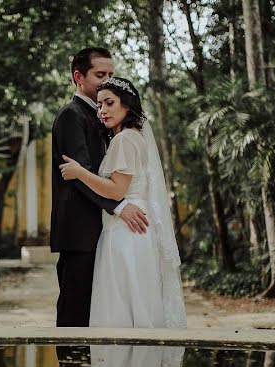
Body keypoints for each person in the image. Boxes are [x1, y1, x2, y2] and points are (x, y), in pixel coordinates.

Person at [59, 76, 186, 329]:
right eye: (99, 105)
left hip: (125, 232)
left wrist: (80, 172)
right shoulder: (133, 136)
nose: (102, 111)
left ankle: (124, 365)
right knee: (136, 303)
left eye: (109, 103)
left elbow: (117, 191)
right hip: (133, 229)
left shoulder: (123, 140)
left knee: (123, 305)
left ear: (127, 105)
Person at [50, 49, 150, 327]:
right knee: (75, 310)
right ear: (78, 77)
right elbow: (79, 175)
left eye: (110, 74)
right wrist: (119, 205)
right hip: (79, 231)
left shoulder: (105, 118)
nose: (106, 80)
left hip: (103, 229)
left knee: (102, 310)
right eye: (100, 75)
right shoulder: (71, 116)